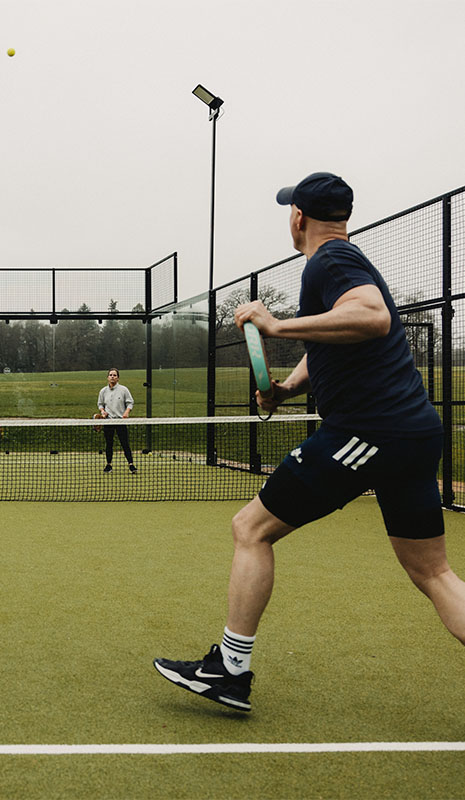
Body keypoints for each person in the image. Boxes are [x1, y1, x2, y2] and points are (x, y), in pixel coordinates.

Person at [153, 172, 465, 712]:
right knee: (434, 573)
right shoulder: (342, 264)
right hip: (413, 432)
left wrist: (275, 324)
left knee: (250, 529)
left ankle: (228, 669)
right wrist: (289, 388)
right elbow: (335, 342)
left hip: (369, 433)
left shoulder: (330, 261)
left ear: (298, 216)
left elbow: (371, 318)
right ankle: (228, 669)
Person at [96, 368, 137, 473]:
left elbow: (130, 402)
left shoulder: (124, 390)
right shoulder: (103, 391)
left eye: (114, 375)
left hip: (120, 421)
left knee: (125, 443)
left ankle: (131, 465)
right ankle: (109, 465)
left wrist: (126, 412)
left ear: (118, 378)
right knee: (109, 444)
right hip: (108, 421)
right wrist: (102, 411)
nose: (112, 377)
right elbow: (100, 404)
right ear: (107, 377)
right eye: (110, 375)